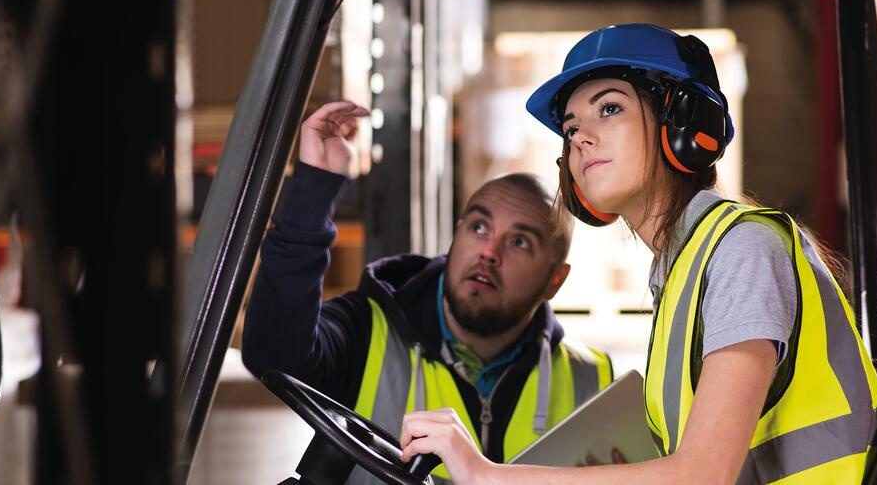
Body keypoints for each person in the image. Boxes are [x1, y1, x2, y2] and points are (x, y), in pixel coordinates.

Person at [399, 24, 877, 484]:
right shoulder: (680, 270)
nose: (581, 137)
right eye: (570, 129)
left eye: (609, 109)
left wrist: (487, 474)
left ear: (684, 123)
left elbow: (701, 476)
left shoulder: (743, 250)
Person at [241, 101, 614, 483]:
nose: (489, 253)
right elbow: (272, 356)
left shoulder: (593, 383)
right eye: (479, 228)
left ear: (555, 280)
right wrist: (314, 190)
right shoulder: (367, 332)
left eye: (519, 242)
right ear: (456, 235)